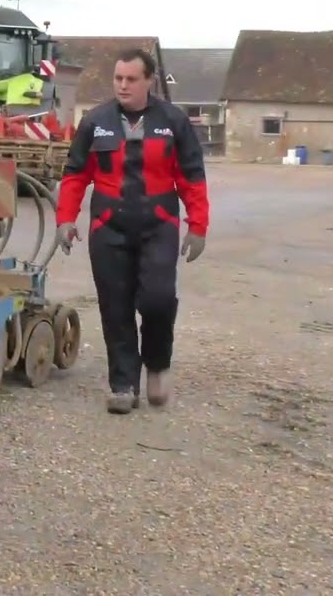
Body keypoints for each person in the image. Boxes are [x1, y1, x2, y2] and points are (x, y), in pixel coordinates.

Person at [53, 49, 209, 415]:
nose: (123, 85)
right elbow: (75, 175)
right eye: (118, 78)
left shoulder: (173, 121)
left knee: (158, 299)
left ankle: (157, 363)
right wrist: (65, 219)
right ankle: (123, 385)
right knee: (115, 307)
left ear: (149, 81)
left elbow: (192, 177)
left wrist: (198, 226)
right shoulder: (96, 122)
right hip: (109, 227)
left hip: (159, 224)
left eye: (131, 79)